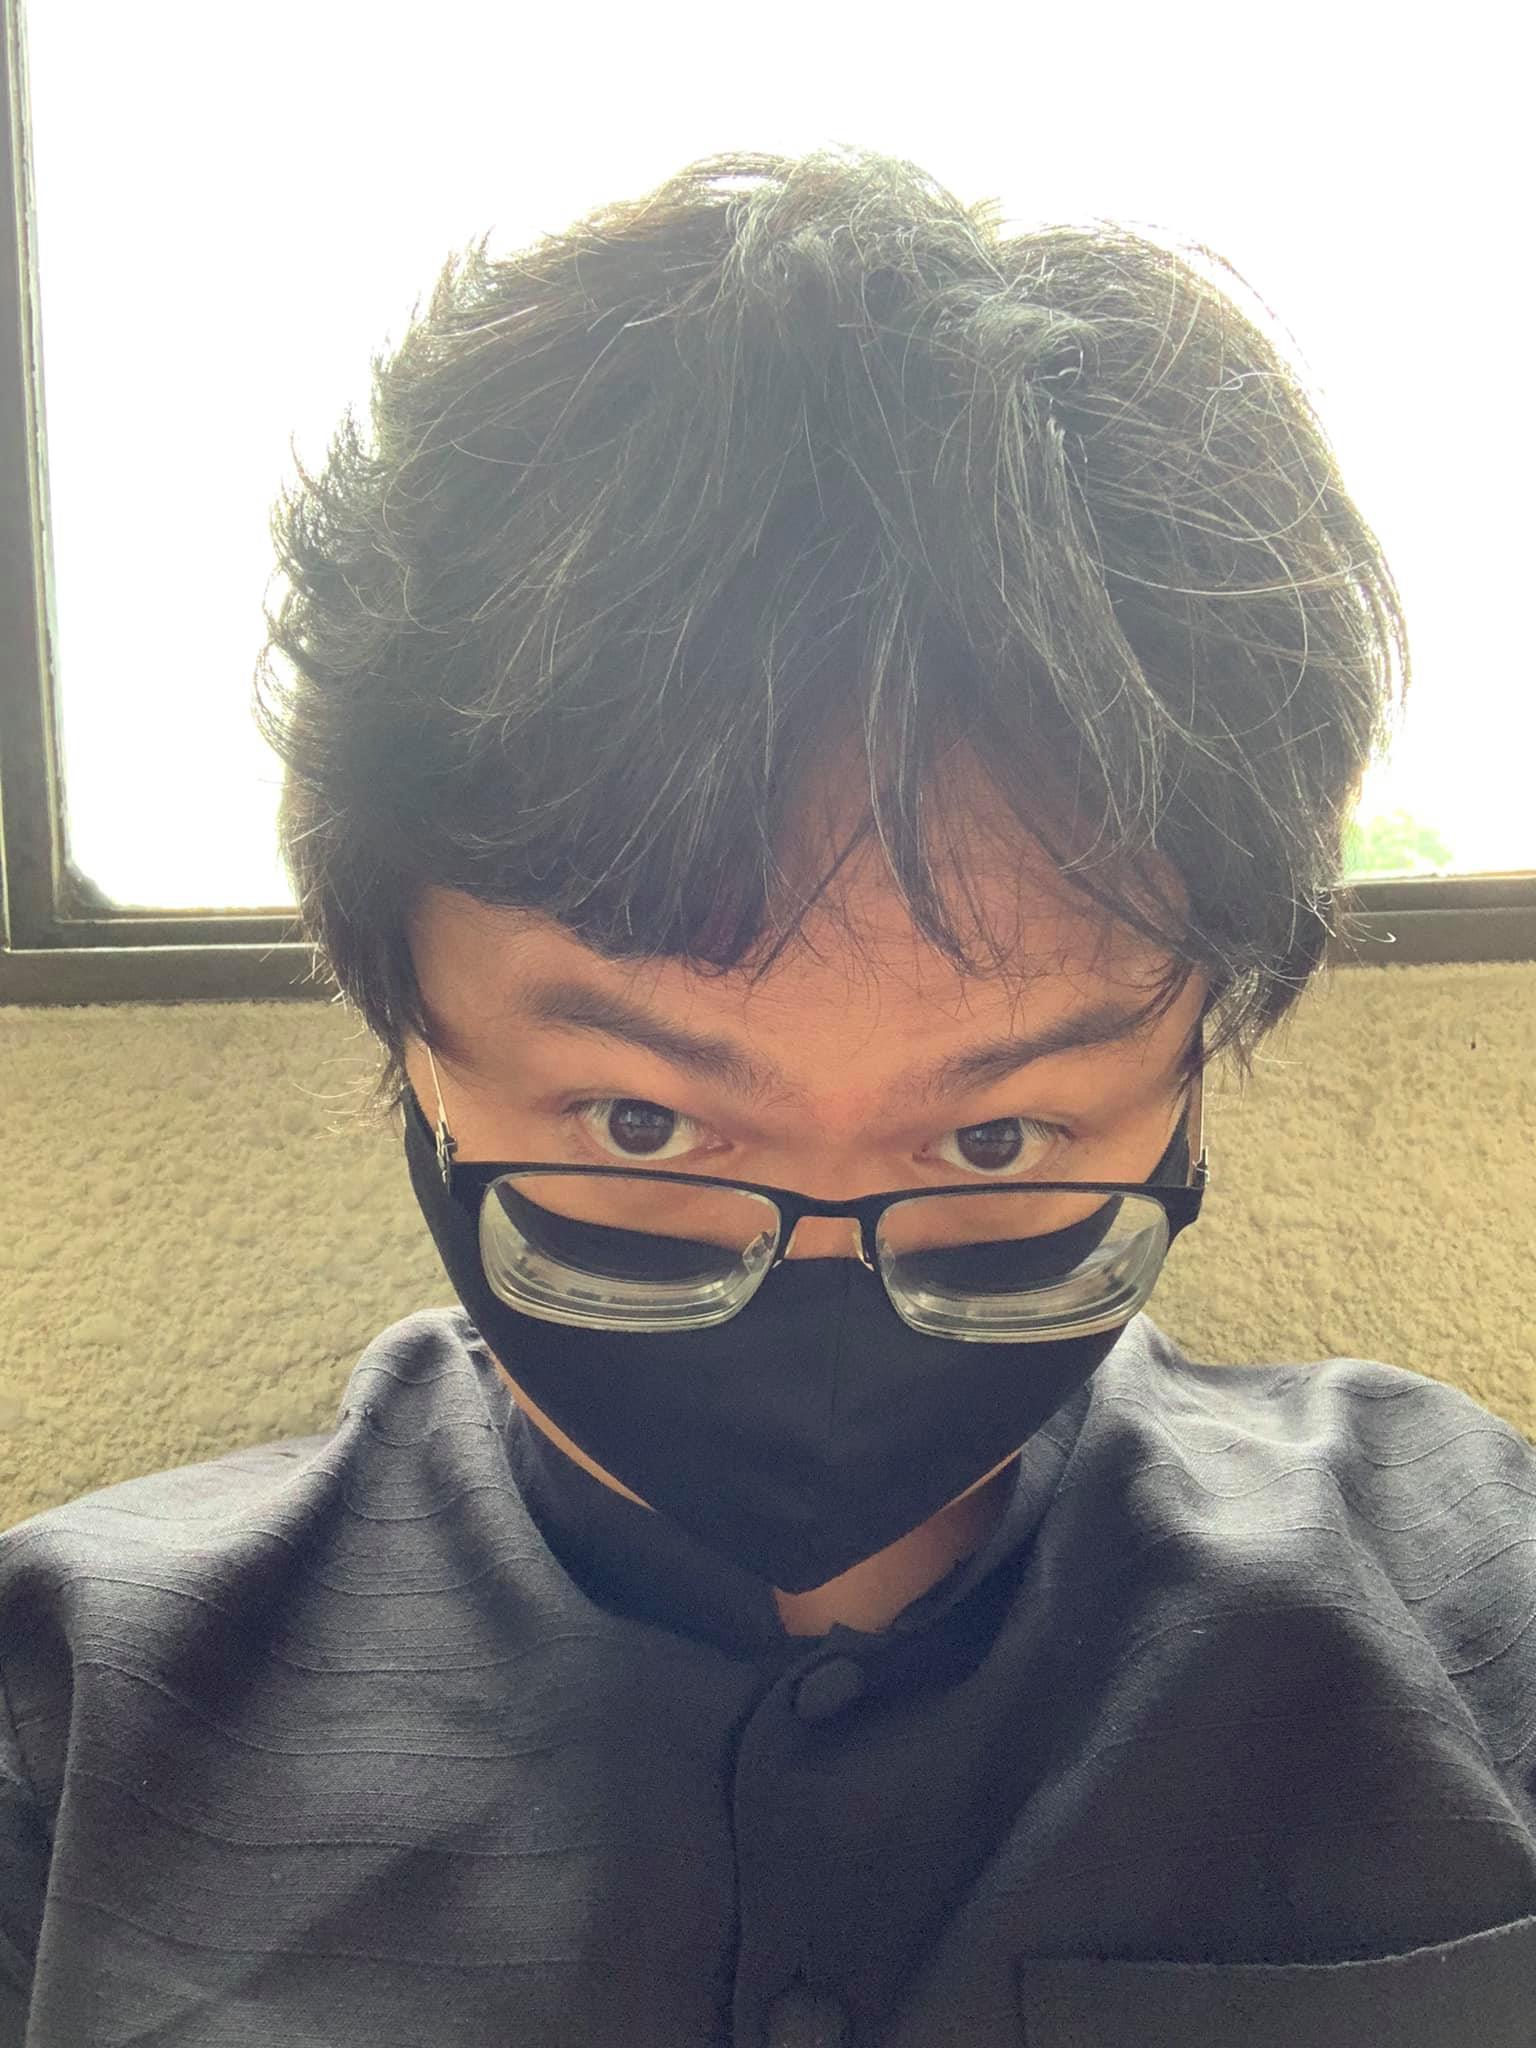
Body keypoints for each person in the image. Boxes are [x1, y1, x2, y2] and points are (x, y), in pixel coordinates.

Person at [2, 146, 1532, 2048]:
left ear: (1191, 1079)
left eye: (994, 1139)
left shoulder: (1478, 1609)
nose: (821, 1313)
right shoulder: (66, 1727)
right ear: (413, 1031)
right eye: (642, 1123)